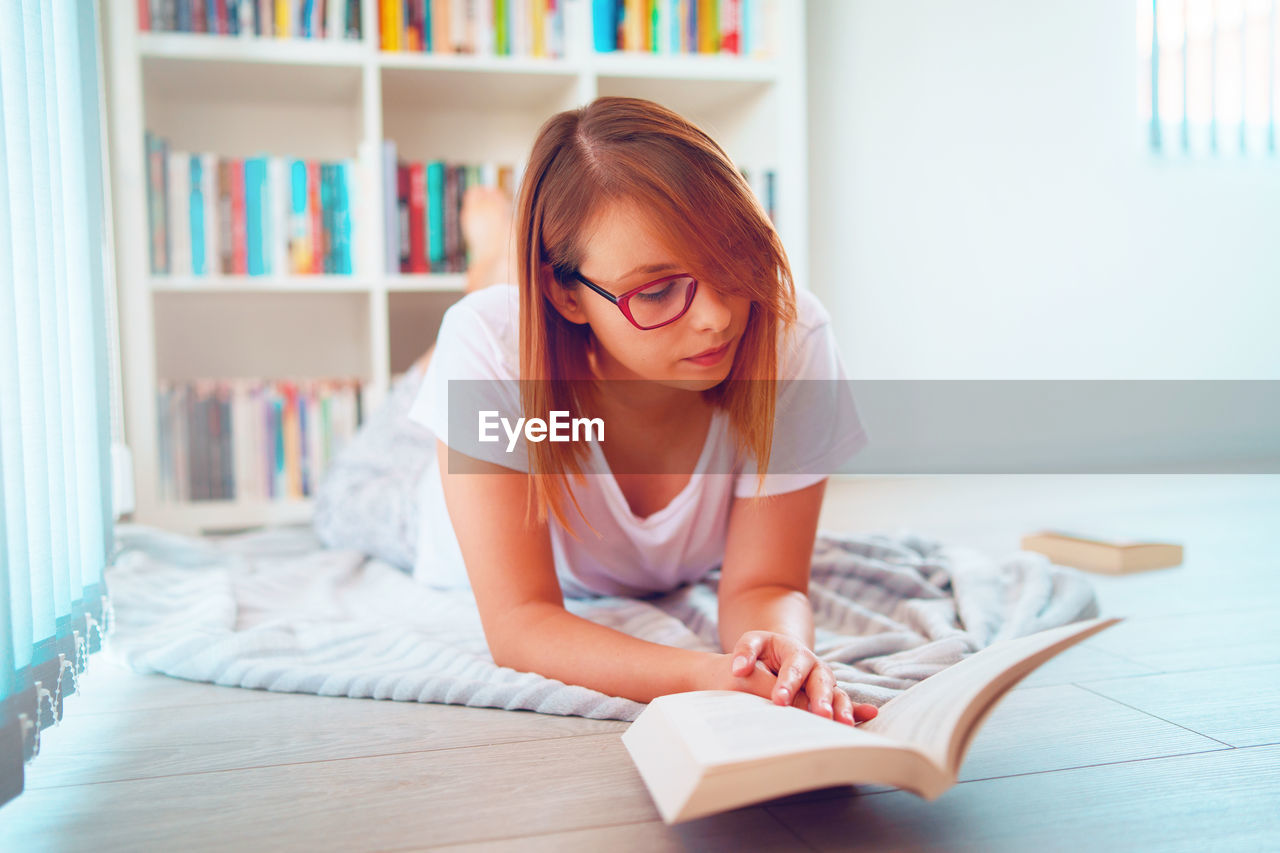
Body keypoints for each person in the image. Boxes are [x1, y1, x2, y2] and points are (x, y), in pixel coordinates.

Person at [314, 96, 876, 726]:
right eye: (658, 290)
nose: (718, 317)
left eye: (732, 261)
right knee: (341, 496)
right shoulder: (489, 347)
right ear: (566, 294)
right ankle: (487, 282)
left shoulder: (790, 338)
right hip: (432, 480)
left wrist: (780, 656)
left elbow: (766, 586)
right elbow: (521, 623)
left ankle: (498, 275)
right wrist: (702, 676)